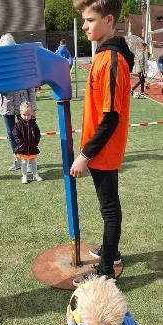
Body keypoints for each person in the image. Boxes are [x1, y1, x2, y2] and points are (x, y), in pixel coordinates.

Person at [70, 0, 134, 286]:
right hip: (101, 150)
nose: (84, 26)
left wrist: (85, 154)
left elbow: (110, 118)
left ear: (108, 20)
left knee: (110, 210)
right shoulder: (103, 55)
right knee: (108, 207)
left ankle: (106, 268)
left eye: (90, 20)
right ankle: (112, 251)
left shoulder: (110, 60)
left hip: (103, 152)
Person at [0, 33, 37, 171]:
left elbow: (31, 87)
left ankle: (29, 161)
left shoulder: (23, 64)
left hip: (23, 105)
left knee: (26, 133)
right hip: (6, 106)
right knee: (11, 134)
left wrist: (32, 106)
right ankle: (18, 160)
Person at [13, 101, 43, 184]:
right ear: (20, 113)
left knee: (33, 161)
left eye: (28, 115)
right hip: (23, 147)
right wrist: (20, 143)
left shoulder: (33, 123)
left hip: (32, 147)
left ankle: (35, 175)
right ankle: (24, 176)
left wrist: (36, 142)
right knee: (24, 162)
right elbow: (15, 134)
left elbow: (38, 133)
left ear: (32, 114)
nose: (26, 117)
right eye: (24, 115)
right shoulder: (18, 124)